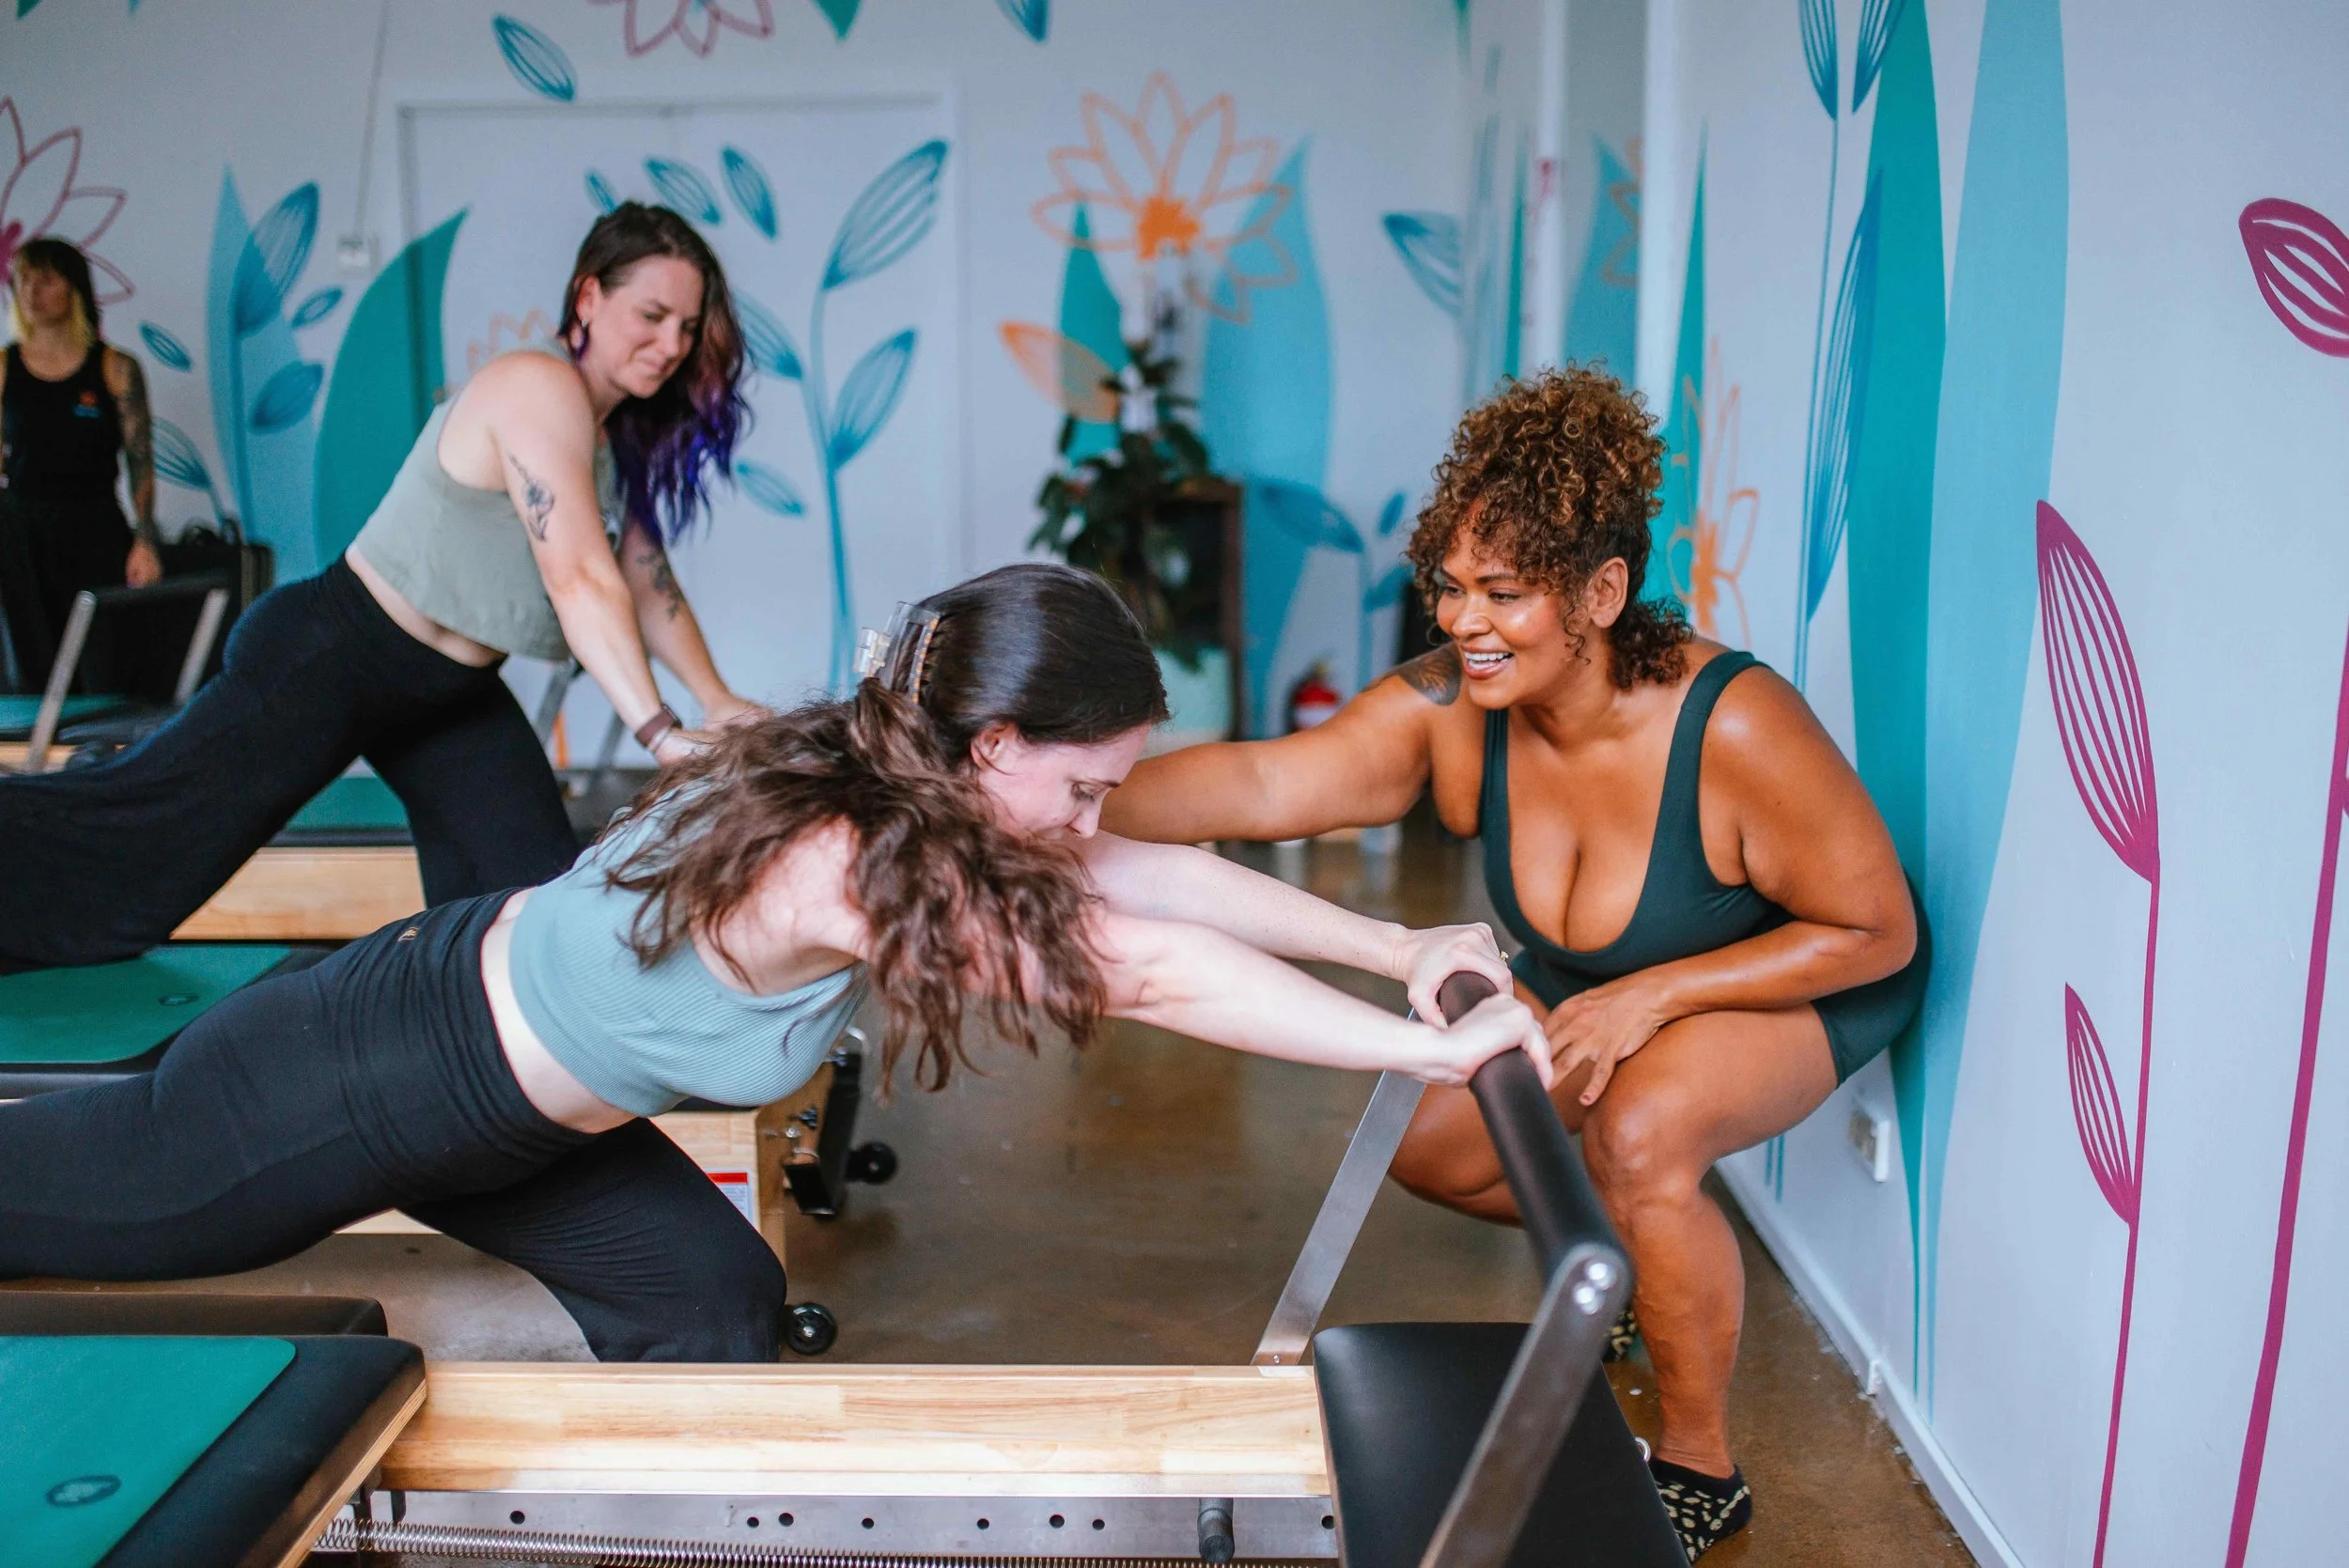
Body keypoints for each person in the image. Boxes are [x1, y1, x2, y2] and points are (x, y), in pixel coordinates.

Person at [0, 563, 1548, 1361]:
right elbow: (1139, 967)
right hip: (371, 1076)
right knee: (76, 1204)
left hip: (513, 1112)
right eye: (1081, 786)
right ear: (997, 742)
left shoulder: (918, 764)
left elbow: (1149, 871)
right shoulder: (855, 858)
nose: (1094, 819)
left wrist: (1399, 942)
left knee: (710, 1300)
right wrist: (1428, 1050)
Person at [1100, 367, 1926, 1560]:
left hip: (1796, 969)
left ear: (1601, 591)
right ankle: (1643, 1258)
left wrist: (1653, 995)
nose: (1461, 623)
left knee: (1641, 1131)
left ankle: (1701, 1462)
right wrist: (1046, 799)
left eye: (1503, 593)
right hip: (1609, 979)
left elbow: (1876, 931)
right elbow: (1267, 781)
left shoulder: (1733, 721)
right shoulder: (1459, 703)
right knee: (1433, 1137)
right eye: (1449, 586)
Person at [0, 203, 761, 971]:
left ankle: (463, 1033)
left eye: (688, 326)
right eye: (653, 316)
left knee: (529, 896)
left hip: (450, 691)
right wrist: (658, 731)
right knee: (141, 843)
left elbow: (643, 578)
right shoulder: (536, 386)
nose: (673, 344)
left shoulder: (607, 434)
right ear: (589, 297)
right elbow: (580, 577)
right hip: (338, 653)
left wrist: (717, 698)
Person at [0, 237, 163, 691]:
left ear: (73, 288)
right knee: (31, 670)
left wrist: (144, 540)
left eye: (45, 280)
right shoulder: (4, 368)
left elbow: (141, 461)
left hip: (94, 527)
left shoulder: (115, 368)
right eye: (23, 280)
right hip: (21, 531)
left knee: (102, 666)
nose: (31, 292)